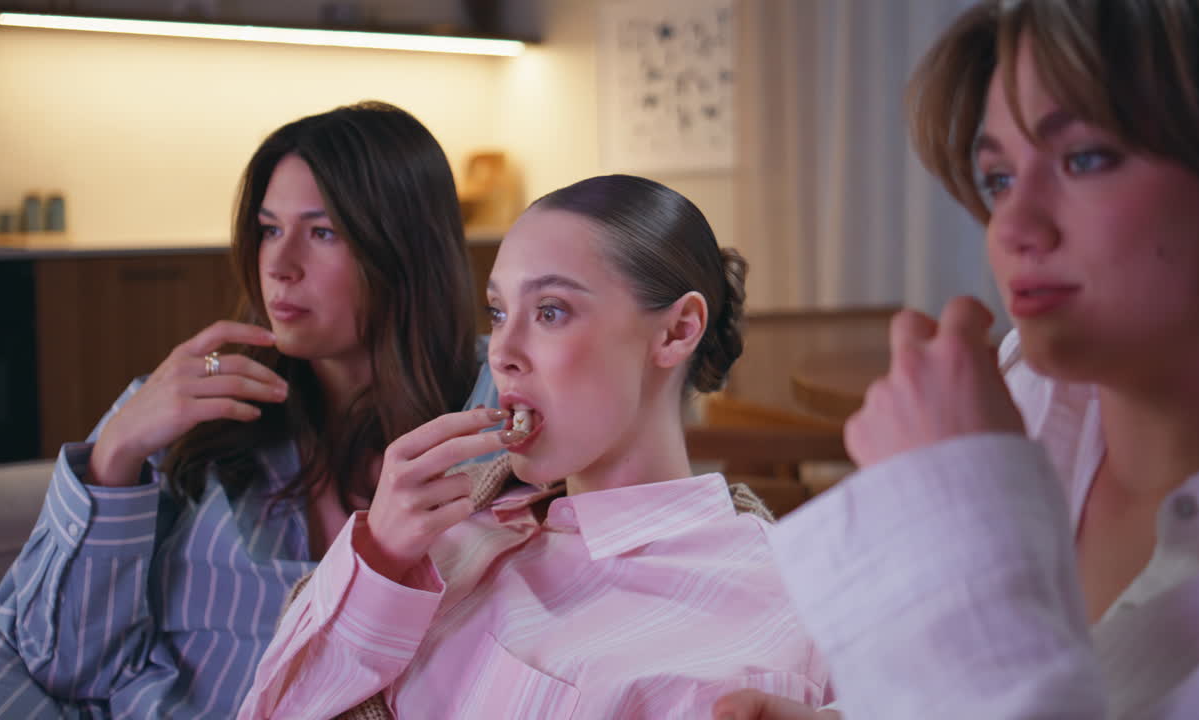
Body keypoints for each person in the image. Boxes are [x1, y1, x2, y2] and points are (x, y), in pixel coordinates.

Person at [714, 0, 1199, 718]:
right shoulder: (1024, 400)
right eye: (999, 179)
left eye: (1086, 158)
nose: (1013, 225)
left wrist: (952, 506)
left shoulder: (974, 454)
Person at [0, 100, 495, 719]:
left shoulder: (494, 416)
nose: (278, 266)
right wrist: (115, 453)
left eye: (323, 232)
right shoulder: (190, 416)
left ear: (404, 249)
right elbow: (62, 663)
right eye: (270, 229)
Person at [238, 174, 832, 719]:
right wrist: (382, 560)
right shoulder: (453, 540)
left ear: (677, 331)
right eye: (499, 312)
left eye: (550, 311)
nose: (501, 350)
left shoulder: (776, 612)